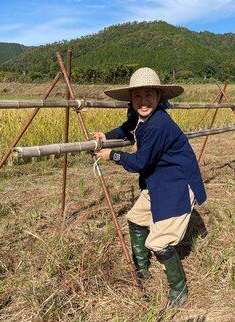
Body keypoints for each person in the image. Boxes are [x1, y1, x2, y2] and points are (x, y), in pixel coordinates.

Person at [94, 67, 206, 307]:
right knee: (135, 219)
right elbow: (128, 127)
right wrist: (106, 135)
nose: (143, 101)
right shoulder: (142, 117)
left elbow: (139, 162)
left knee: (159, 242)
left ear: (158, 96)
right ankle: (142, 268)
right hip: (158, 181)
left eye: (148, 95)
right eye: (137, 96)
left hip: (176, 184)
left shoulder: (158, 125)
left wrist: (112, 155)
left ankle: (179, 290)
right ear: (131, 99)